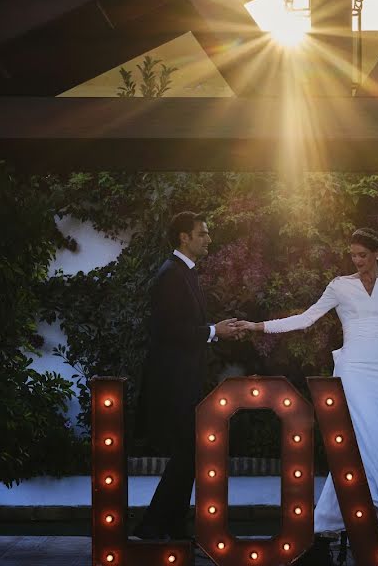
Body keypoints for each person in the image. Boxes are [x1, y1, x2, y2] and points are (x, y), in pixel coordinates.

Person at [235, 227, 378, 535]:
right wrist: (259, 327)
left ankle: (370, 510)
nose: (356, 261)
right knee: (360, 438)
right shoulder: (339, 286)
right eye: (352, 255)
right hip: (351, 369)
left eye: (362, 255)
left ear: (377, 253)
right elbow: (306, 318)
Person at [135, 211, 241, 540]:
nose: (209, 239)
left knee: (190, 451)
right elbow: (167, 330)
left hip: (185, 380)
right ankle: (155, 525)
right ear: (185, 237)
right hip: (174, 383)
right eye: (203, 233)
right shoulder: (171, 275)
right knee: (189, 450)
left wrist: (215, 331)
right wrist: (214, 331)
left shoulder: (184, 273)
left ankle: (168, 526)